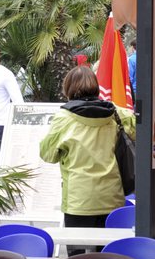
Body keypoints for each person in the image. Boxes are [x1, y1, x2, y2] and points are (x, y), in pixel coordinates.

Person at [39, 66, 136, 233]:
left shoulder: (64, 118)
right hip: (112, 197)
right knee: (108, 255)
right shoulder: (116, 112)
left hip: (79, 200)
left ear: (68, 88)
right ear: (95, 86)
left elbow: (47, 154)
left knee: (78, 257)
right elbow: (138, 130)